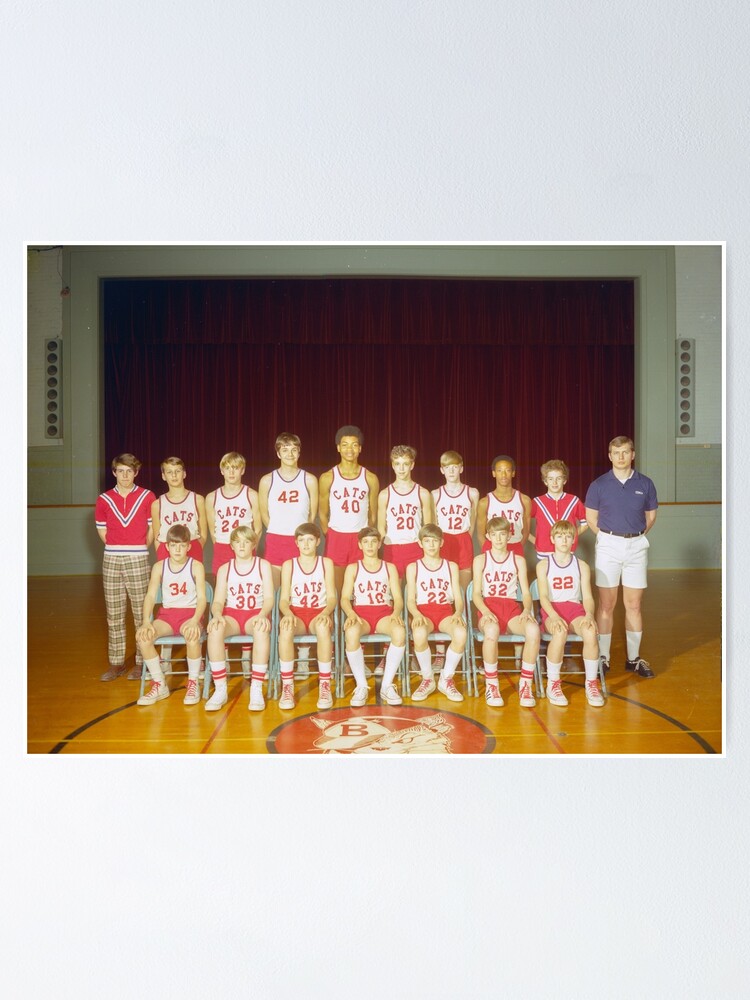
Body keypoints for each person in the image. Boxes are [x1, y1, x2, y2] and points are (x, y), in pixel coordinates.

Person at [585, 435, 658, 677]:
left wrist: (632, 536)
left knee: (634, 605)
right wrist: (611, 538)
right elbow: (591, 519)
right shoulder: (598, 485)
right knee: (606, 604)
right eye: (616, 453)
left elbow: (650, 517)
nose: (621, 457)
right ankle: (603, 657)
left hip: (636, 545)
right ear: (610, 456)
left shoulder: (645, 484)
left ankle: (634, 658)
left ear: (633, 454)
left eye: (625, 452)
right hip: (607, 545)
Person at [95, 453, 156, 681]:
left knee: (141, 613)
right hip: (111, 559)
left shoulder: (147, 497)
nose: (125, 475)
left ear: (136, 473)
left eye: (129, 471)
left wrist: (139, 547)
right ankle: (117, 663)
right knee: (114, 613)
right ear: (114, 472)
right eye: (120, 471)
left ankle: (142, 662)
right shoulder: (104, 499)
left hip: (138, 558)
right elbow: (103, 531)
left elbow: (152, 528)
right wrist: (117, 547)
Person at [471, 516, 540, 708]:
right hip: (489, 607)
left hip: (511, 608)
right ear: (488, 536)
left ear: (510, 535)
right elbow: (476, 594)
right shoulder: (480, 560)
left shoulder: (518, 560)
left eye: (503, 534)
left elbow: (526, 593)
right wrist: (484, 611)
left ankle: (525, 684)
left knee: (534, 631)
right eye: (495, 535)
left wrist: (527, 610)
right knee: (491, 632)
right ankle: (492, 685)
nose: (499, 539)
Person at [135, 524, 207, 706]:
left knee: (192, 636)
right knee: (143, 637)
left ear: (189, 546)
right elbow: (150, 596)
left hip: (189, 615)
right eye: (174, 545)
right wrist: (145, 621)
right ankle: (159, 684)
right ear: (166, 546)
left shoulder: (196, 566)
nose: (178, 549)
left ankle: (192, 682)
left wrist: (195, 620)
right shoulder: (159, 567)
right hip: (167, 617)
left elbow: (202, 599)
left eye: (182, 545)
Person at [204, 526, 275, 712]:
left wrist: (262, 615)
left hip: (255, 614)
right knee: (215, 629)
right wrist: (217, 615)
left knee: (261, 630)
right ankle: (220, 689)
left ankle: (256, 688)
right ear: (232, 545)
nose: (242, 545)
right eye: (238, 542)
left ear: (253, 544)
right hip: (233, 615)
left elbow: (269, 598)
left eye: (246, 541)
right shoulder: (224, 569)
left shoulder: (263, 565)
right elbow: (218, 600)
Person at [536, 520, 605, 707]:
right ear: (552, 539)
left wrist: (590, 615)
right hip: (552, 610)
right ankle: (553, 683)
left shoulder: (581, 565)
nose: (564, 540)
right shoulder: (544, 565)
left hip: (575, 609)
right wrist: (554, 616)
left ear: (574, 539)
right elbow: (543, 597)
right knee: (559, 632)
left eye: (568, 536)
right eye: (559, 536)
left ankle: (591, 683)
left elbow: (588, 597)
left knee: (590, 631)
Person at [340, 526, 406, 706]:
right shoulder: (353, 568)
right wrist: (351, 613)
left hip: (383, 613)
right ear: (360, 545)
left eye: (373, 541)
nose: (370, 545)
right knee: (351, 633)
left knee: (400, 633)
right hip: (361, 614)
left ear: (379, 544)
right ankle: (361, 686)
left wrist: (396, 613)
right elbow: (345, 598)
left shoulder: (389, 567)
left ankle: (386, 685)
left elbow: (398, 599)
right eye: (366, 542)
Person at [277, 523, 337, 711]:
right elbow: (284, 599)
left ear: (318, 542)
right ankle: (287, 686)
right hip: (297, 613)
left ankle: (324, 684)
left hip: (318, 611)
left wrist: (326, 613)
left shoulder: (326, 563)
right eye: (302, 540)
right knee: (285, 629)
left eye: (310, 539)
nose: (306, 544)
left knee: (322, 628)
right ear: (296, 542)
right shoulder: (289, 565)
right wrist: (287, 613)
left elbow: (332, 596)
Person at [405, 524, 467, 703]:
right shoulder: (413, 567)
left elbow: (458, 596)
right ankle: (428, 678)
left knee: (461, 633)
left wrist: (458, 612)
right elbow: (410, 600)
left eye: (435, 541)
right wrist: (416, 614)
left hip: (445, 612)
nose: (431, 545)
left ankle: (446, 679)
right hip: (423, 612)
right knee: (418, 633)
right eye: (427, 541)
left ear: (441, 543)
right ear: (420, 543)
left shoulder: (451, 566)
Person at [318, 425, 380, 594]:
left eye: (354, 445)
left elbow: (373, 514)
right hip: (336, 537)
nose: (349, 449)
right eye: (345, 444)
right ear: (338, 448)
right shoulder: (327, 477)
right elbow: (322, 513)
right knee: (336, 588)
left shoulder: (370, 478)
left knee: (360, 589)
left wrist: (365, 534)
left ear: (360, 448)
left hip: (360, 538)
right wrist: (330, 534)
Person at [431, 450, 479, 669]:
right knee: (443, 598)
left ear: (461, 468)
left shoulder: (472, 493)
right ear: (441, 470)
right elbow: (432, 524)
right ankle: (441, 651)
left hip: (462, 542)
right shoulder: (435, 494)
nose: (451, 470)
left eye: (455, 466)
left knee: (463, 596)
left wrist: (463, 543)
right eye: (446, 467)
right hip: (444, 541)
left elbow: (473, 521)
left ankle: (466, 651)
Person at [259, 433, 319, 589]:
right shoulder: (267, 480)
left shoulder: (310, 479)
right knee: (275, 588)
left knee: (298, 588)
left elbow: (312, 514)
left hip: (299, 540)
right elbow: (264, 514)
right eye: (285, 450)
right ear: (278, 453)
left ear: (299, 452)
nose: (290, 454)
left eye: (294, 449)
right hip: (276, 539)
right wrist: (278, 528)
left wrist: (301, 533)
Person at [377, 445, 434, 580]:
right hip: (392, 548)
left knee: (416, 594)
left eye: (405, 464)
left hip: (415, 547)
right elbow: (380, 526)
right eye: (397, 464)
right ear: (392, 465)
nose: (401, 469)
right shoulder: (385, 494)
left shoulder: (423, 493)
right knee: (393, 593)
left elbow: (428, 526)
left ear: (412, 465)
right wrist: (387, 543)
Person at [205, 452, 262, 577]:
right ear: (221, 471)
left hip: (245, 547)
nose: (231, 472)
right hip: (222, 547)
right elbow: (212, 531)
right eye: (227, 468)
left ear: (242, 470)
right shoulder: (211, 497)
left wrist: (250, 548)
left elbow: (258, 529)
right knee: (221, 589)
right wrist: (222, 546)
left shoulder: (252, 495)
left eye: (235, 468)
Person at [151, 456, 207, 561]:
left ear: (184, 474)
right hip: (167, 550)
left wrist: (198, 546)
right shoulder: (157, 504)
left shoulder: (197, 499)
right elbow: (156, 537)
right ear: (163, 476)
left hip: (191, 547)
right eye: (169, 472)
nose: (174, 475)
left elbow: (203, 532)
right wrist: (160, 550)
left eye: (178, 471)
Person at [530, 459, 587, 559]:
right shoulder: (537, 502)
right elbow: (522, 524)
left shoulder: (574, 501)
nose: (555, 483)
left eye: (559, 478)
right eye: (551, 479)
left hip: (567, 550)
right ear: (545, 481)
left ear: (564, 480)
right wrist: (536, 540)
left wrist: (571, 536)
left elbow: (585, 524)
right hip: (544, 551)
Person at [476, 455, 531, 558]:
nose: (504, 474)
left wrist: (519, 546)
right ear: (494, 473)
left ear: (513, 473)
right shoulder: (485, 502)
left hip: (515, 546)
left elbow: (526, 531)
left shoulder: (524, 500)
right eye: (500, 470)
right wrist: (488, 550)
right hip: (492, 548)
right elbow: (480, 533)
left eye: (508, 470)